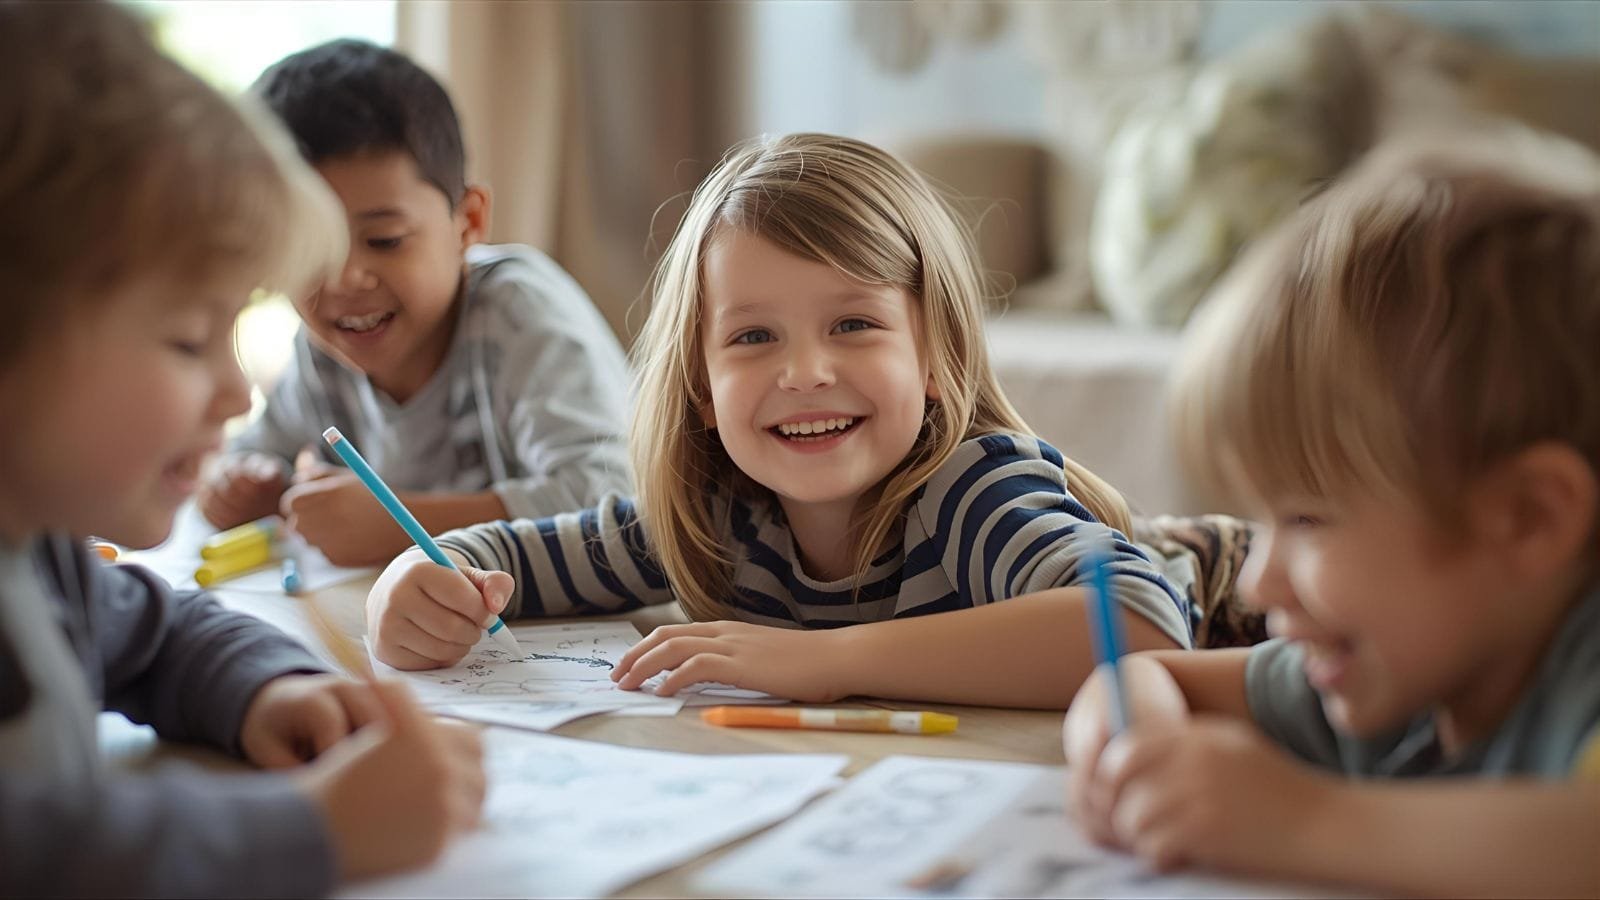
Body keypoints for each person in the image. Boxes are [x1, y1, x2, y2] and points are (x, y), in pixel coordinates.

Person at [366, 133, 1191, 707]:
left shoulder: (972, 485)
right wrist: (413, 587)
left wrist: (823, 661)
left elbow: (1143, 629)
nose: (803, 373)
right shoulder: (718, 514)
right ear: (701, 387)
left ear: (936, 357)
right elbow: (504, 558)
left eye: (854, 325)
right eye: (753, 337)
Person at [0, 4, 484, 894]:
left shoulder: (41, 562)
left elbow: (155, 633)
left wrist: (266, 689)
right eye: (189, 339)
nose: (237, 390)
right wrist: (313, 831)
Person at [1062, 133, 1600, 897]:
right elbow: (1153, 674)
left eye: (1308, 520)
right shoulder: (1406, 669)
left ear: (1528, 519)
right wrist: (1134, 742)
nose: (1255, 584)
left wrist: (1304, 821)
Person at [196, 39, 631, 568]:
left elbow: (615, 505)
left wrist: (401, 524)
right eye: (308, 249)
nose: (343, 278)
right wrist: (239, 483)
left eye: (385, 240)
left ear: (467, 222)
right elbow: (257, 452)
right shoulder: (325, 352)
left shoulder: (519, 316)